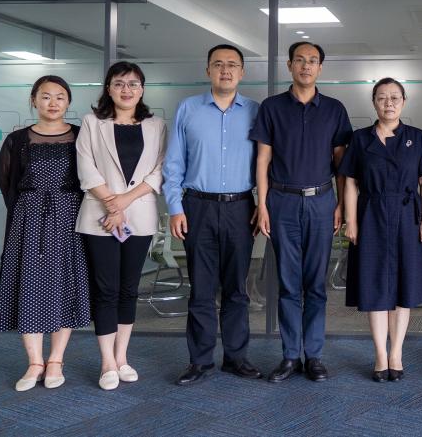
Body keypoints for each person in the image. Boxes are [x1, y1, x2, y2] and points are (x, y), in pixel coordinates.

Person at [252, 41, 353, 383]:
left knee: (316, 284)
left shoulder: (334, 109)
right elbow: (263, 159)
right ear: (290, 66)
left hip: (322, 201)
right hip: (282, 201)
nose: (306, 66)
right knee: (288, 283)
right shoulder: (272, 107)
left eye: (312, 61)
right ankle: (290, 355)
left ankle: (314, 356)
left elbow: (340, 163)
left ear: (320, 68)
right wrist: (262, 204)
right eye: (299, 60)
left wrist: (340, 204)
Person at [164, 44, 262, 386]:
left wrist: (263, 205)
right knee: (202, 289)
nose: (225, 70)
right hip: (198, 207)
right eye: (218, 64)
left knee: (236, 289)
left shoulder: (256, 111)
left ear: (242, 72)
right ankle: (200, 361)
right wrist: (175, 207)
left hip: (241, 207)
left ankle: (236, 358)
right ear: (208, 70)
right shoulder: (188, 108)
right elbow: (173, 164)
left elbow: (265, 164)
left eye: (232, 64)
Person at [0, 76, 91, 391]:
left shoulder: (82, 135)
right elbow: (7, 184)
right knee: (28, 284)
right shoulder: (16, 140)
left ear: (68, 101)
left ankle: (56, 360)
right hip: (27, 220)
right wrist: (29, 211)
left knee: (65, 285)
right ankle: (35, 362)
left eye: (60, 97)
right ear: (33, 100)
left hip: (70, 218)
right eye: (46, 96)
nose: (53, 103)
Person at [76, 61, 167, 391]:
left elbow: (159, 170)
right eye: (119, 83)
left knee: (129, 289)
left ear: (142, 89)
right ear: (108, 88)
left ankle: (122, 357)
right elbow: (86, 167)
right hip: (99, 217)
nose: (126, 89)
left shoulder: (157, 125)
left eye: (133, 84)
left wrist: (124, 202)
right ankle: (107, 362)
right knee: (106, 290)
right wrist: (112, 204)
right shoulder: (92, 122)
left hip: (138, 216)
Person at [340, 78, 422, 382]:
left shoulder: (416, 137)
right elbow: (350, 182)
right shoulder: (360, 139)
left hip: (407, 217)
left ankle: (397, 353)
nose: (389, 103)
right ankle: (380, 355)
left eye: (395, 97)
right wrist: (351, 221)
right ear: (374, 102)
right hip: (371, 215)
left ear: (404, 102)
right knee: (374, 286)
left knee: (404, 287)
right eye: (382, 97)